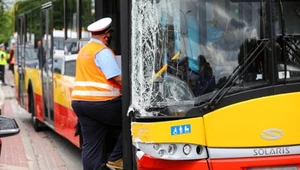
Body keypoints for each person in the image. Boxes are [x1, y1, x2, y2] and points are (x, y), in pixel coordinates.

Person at [71, 17, 123, 170]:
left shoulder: (84, 51)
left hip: (80, 103)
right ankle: (116, 158)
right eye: (109, 35)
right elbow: (116, 77)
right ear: (106, 36)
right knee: (132, 122)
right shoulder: (103, 52)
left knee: (90, 146)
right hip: (101, 103)